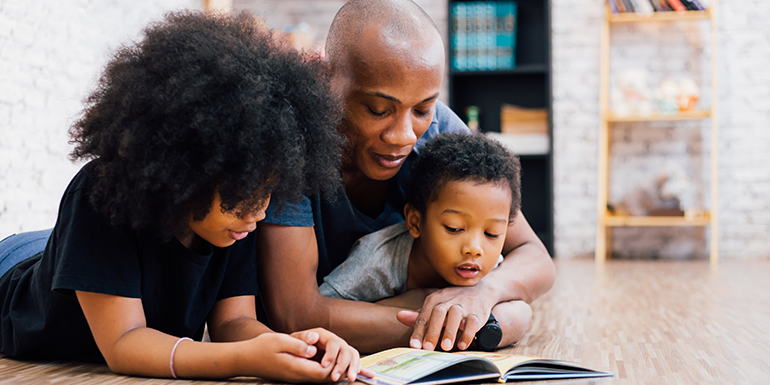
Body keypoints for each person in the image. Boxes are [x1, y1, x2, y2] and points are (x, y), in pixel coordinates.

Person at [0, 11, 372, 382]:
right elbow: (124, 342)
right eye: (243, 191)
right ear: (185, 167)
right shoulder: (101, 193)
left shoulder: (237, 220)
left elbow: (234, 322)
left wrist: (296, 347)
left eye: (269, 191)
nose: (258, 211)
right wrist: (247, 360)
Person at [255, 0, 556, 354]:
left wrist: (482, 293)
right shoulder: (290, 146)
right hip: (323, 335)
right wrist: (455, 320)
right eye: (378, 110)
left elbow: (533, 255)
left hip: (372, 326)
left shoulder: (441, 132)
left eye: (422, 109)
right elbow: (296, 315)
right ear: (326, 80)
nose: (404, 135)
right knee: (514, 317)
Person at [319, 133, 533, 348]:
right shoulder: (375, 261)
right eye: (454, 228)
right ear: (415, 222)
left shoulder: (487, 266)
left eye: (492, 233)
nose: (475, 249)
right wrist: (412, 301)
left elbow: (521, 314)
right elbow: (320, 311)